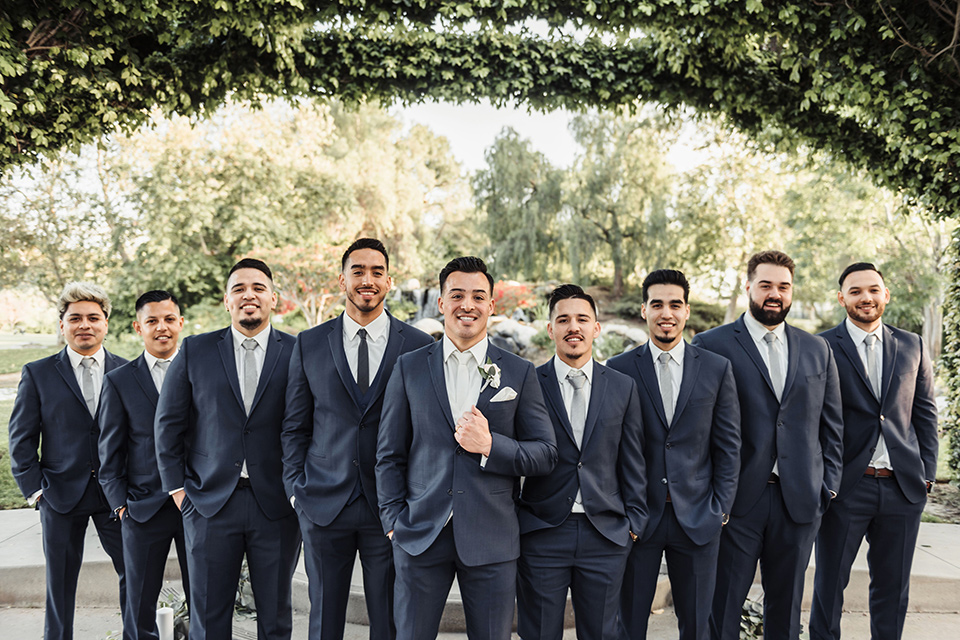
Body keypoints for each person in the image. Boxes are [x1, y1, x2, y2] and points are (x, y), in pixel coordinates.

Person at [376, 256, 558, 640]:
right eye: (456, 295)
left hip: (492, 538)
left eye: (478, 296)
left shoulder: (519, 372)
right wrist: (393, 521)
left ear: (492, 305)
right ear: (441, 302)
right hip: (420, 535)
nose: (467, 305)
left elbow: (545, 453)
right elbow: (389, 453)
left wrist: (491, 445)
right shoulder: (409, 367)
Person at [281, 238, 433, 640]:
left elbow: (424, 430)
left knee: (389, 618)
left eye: (377, 272)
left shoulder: (418, 346)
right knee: (325, 619)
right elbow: (295, 426)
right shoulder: (309, 343)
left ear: (389, 281)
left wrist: (410, 499)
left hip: (390, 506)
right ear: (343, 278)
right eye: (358, 271)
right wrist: (297, 492)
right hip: (322, 504)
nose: (368, 279)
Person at [691, 250, 843, 640]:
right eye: (766, 285)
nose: (775, 293)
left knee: (787, 612)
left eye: (783, 286)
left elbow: (832, 426)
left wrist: (827, 487)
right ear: (748, 288)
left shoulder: (816, 349)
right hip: (737, 501)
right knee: (721, 608)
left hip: (800, 502)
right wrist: (712, 498)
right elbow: (698, 427)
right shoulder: (711, 344)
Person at [155, 258, 301, 640]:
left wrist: (300, 490)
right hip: (208, 502)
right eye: (238, 289)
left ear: (273, 298)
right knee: (208, 615)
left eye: (257, 288)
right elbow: (169, 424)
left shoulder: (300, 351)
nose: (248, 295)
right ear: (226, 301)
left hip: (277, 504)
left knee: (276, 616)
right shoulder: (195, 350)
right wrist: (179, 490)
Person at [608, 269, 741, 640]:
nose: (666, 313)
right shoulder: (619, 370)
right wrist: (623, 512)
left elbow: (729, 444)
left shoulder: (716, 368)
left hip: (699, 517)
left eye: (675, 305)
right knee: (628, 624)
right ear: (644, 310)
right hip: (639, 518)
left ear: (685, 311)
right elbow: (611, 446)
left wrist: (720, 508)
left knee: (698, 626)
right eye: (657, 304)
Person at [809, 263, 939, 640]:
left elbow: (925, 417)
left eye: (872, 290)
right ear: (841, 298)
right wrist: (825, 480)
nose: (865, 297)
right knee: (829, 586)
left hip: (902, 489)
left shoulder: (911, 344)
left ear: (885, 294)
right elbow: (811, 419)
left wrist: (926, 475)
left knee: (892, 589)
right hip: (846, 488)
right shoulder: (821, 347)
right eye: (855, 291)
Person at [516, 284, 646, 640]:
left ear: (596, 327)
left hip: (605, 534)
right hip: (542, 532)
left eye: (582, 319)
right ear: (550, 329)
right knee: (539, 632)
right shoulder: (529, 382)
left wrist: (633, 523)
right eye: (563, 320)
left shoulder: (623, 387)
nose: (573, 327)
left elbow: (633, 459)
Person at [8, 281, 128, 640]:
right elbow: (21, 440)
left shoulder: (127, 372)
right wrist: (36, 492)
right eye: (75, 318)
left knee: (136, 574)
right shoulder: (38, 373)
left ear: (106, 322)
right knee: (59, 584)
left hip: (116, 497)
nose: (85, 325)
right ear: (62, 324)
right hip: (59, 496)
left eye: (93, 317)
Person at [98, 290, 191, 640]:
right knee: (138, 604)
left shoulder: (201, 371)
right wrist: (120, 505)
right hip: (141, 507)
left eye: (169, 319)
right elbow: (110, 449)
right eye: (152, 321)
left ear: (180, 323)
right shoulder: (119, 380)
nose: (161, 327)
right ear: (139, 327)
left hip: (197, 504)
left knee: (205, 596)